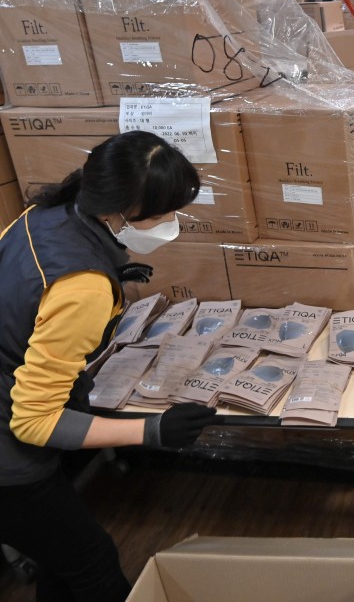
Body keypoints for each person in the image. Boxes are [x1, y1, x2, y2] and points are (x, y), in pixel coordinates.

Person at [0, 131, 219, 602]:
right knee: (93, 564)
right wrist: (152, 430)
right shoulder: (83, 288)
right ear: (117, 213)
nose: (170, 223)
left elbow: (27, 294)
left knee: (63, 559)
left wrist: (108, 268)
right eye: (162, 215)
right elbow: (34, 421)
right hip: (7, 456)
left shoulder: (44, 214)